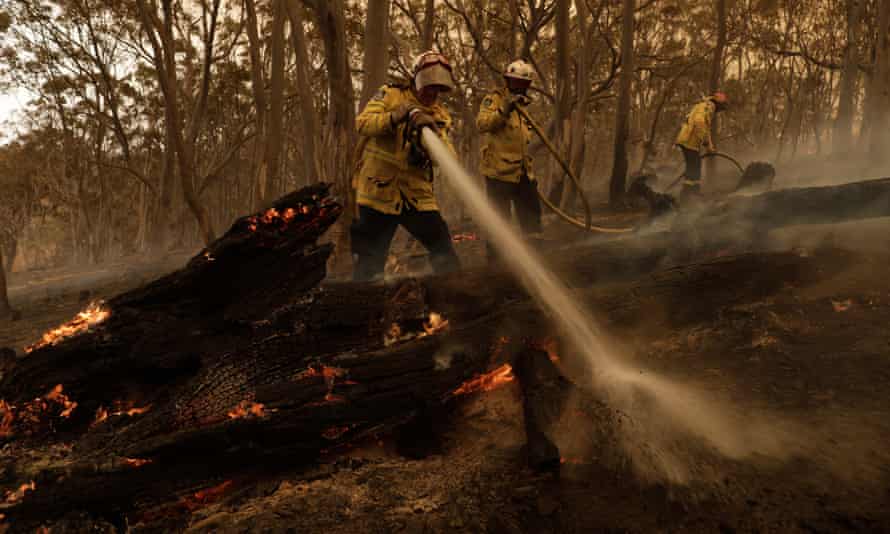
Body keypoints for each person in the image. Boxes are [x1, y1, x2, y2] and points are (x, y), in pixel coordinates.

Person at [350, 51, 461, 281]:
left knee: (444, 250)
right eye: (429, 85)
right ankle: (361, 308)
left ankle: (456, 296)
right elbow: (363, 123)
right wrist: (398, 116)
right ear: (417, 79)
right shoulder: (390, 95)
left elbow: (449, 158)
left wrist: (433, 141)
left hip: (416, 196)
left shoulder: (440, 116)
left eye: (437, 88)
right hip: (378, 192)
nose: (432, 93)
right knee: (370, 263)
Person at [476, 59, 543, 261]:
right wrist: (504, 110)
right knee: (499, 223)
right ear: (507, 81)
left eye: (523, 84)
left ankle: (536, 261)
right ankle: (495, 267)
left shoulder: (524, 106)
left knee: (532, 217)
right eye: (515, 83)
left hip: (523, 172)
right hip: (499, 173)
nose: (519, 87)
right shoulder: (494, 100)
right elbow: (482, 124)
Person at [675, 91, 729, 198]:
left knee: (695, 166)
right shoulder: (708, 106)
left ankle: (693, 193)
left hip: (690, 142)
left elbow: (706, 130)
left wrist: (710, 146)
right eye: (721, 107)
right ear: (718, 103)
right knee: (693, 167)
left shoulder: (707, 107)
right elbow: (699, 122)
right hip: (688, 141)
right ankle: (688, 195)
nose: (720, 110)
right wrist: (705, 142)